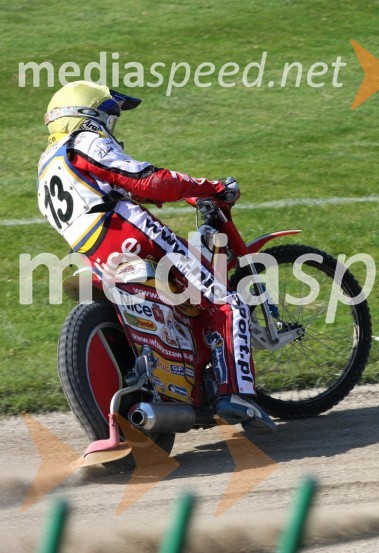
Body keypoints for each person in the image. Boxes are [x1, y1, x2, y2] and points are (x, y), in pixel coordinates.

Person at [38, 80, 277, 433]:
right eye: (106, 117)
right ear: (84, 116)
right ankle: (235, 394)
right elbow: (147, 181)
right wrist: (208, 187)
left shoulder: (47, 166)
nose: (110, 128)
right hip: (134, 235)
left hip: (95, 254)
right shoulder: (85, 141)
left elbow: (110, 190)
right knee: (227, 301)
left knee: (189, 306)